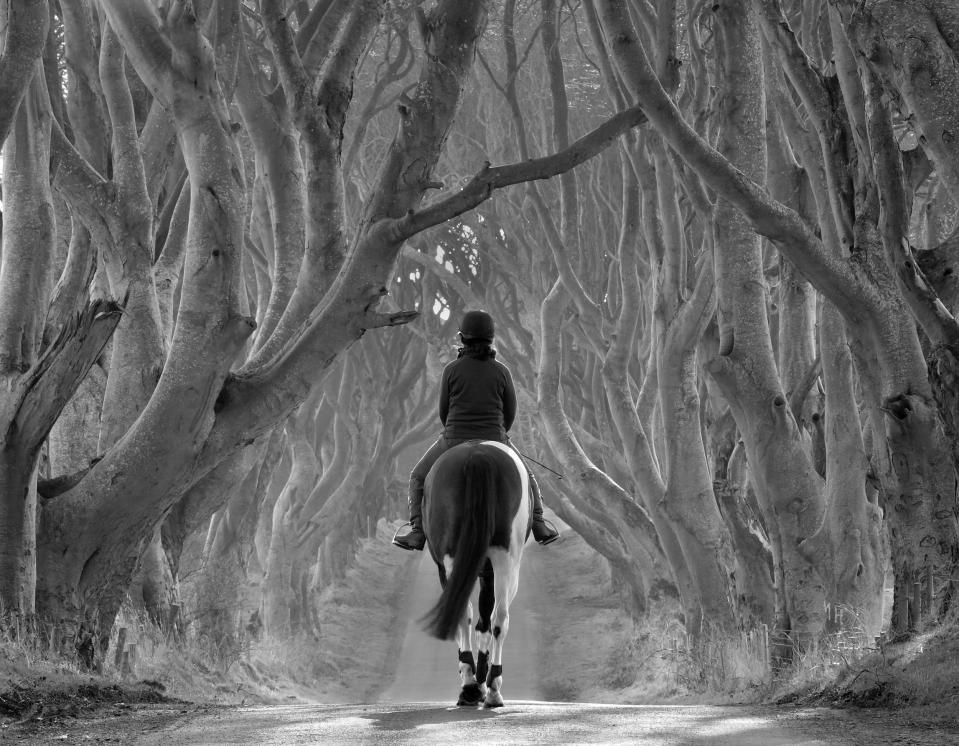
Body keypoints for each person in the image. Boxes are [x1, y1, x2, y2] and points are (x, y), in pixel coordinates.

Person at [392, 310, 560, 551]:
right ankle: (539, 525)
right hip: (495, 437)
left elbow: (443, 411)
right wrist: (500, 435)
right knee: (528, 476)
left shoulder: (451, 370)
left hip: (453, 438)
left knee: (418, 477)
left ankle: (417, 532)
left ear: (463, 338)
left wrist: (454, 430)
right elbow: (510, 411)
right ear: (490, 339)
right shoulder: (502, 371)